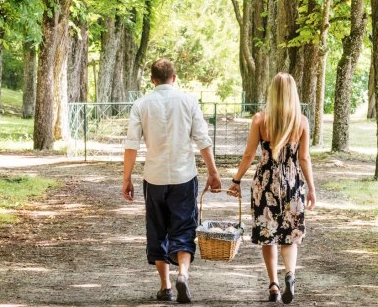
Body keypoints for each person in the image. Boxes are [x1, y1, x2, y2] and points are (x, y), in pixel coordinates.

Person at [122, 58, 222, 304]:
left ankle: (165, 286)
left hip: (154, 177)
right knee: (184, 227)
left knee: (156, 229)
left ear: (152, 80)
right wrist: (213, 172)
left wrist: (127, 179)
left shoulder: (141, 104)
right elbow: (202, 140)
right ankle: (183, 274)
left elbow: (131, 145)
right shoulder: (188, 101)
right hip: (183, 176)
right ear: (174, 78)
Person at [227, 73, 316, 304]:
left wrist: (236, 180)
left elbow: (249, 155)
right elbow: (304, 158)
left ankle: (274, 285)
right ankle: (290, 274)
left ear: (273, 93)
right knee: (289, 235)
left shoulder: (260, 120)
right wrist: (312, 189)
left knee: (269, 236)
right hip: (293, 183)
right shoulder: (302, 122)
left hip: (265, 182)